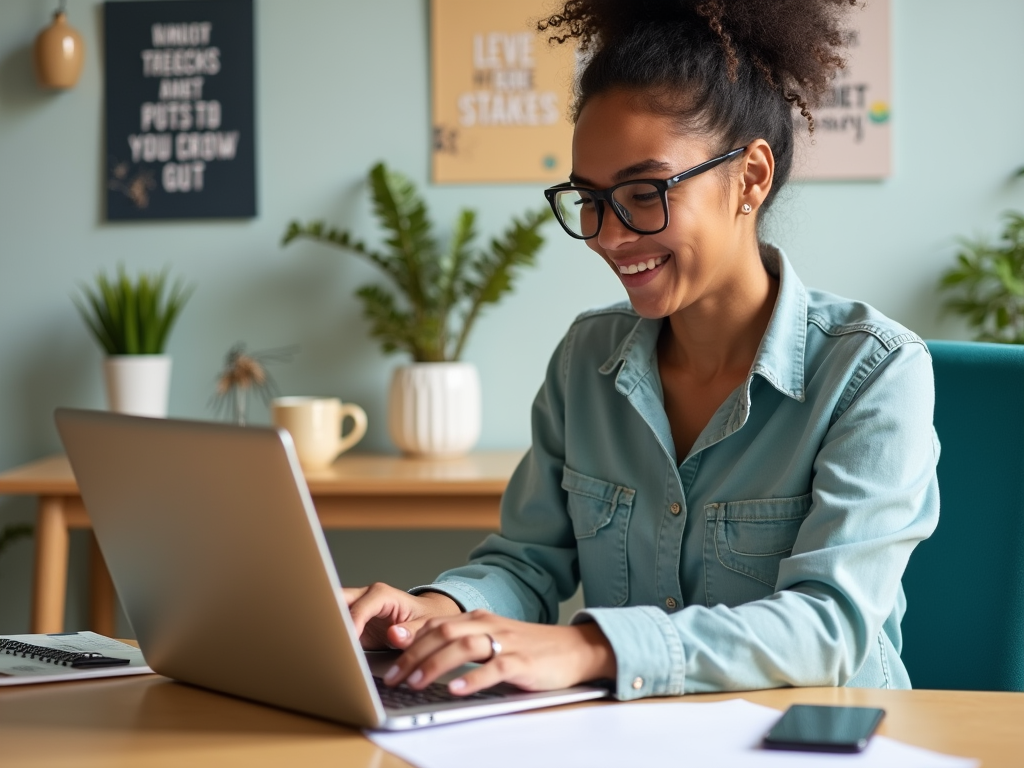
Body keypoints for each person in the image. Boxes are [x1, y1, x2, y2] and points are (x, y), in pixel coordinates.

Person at [344, 0, 939, 701]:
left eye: (643, 192)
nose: (609, 235)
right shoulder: (585, 360)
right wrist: (437, 614)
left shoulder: (874, 372)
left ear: (750, 178)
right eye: (589, 198)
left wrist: (591, 647)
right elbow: (528, 563)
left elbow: (829, 626)